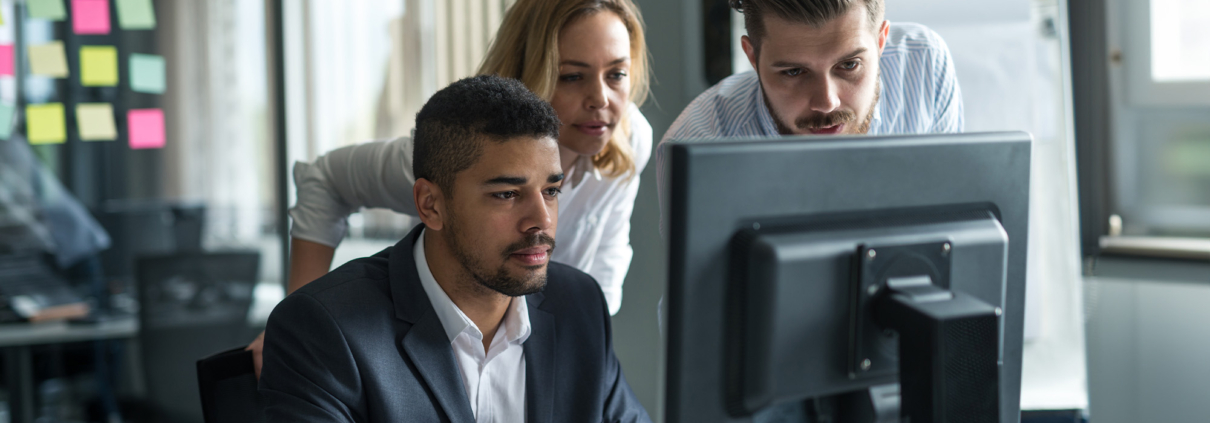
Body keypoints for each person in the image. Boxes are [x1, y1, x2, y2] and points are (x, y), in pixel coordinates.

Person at [260, 75, 651, 423]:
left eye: (551, 191)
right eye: (507, 194)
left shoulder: (578, 306)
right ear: (431, 204)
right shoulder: (325, 329)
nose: (542, 220)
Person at [657, 0, 963, 201]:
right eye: (794, 72)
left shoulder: (925, 66)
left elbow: (951, 224)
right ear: (753, 56)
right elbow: (704, 298)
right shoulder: (701, 148)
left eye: (849, 65)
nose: (827, 102)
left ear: (881, 40)